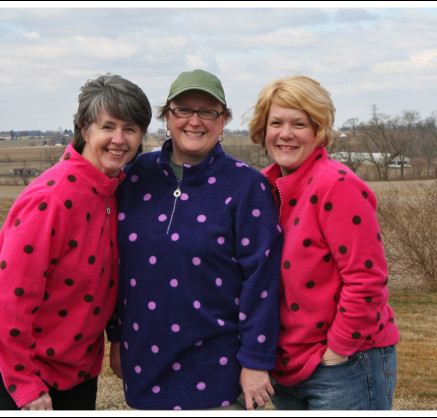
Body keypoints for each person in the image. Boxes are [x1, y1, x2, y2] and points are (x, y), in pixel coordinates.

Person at [108, 69, 283, 410]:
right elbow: (120, 269)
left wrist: (256, 361)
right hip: (145, 365)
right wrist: (116, 338)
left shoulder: (246, 186)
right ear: (167, 118)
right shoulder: (133, 177)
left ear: (223, 121)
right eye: (183, 110)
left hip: (218, 370)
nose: (195, 121)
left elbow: (262, 282)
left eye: (208, 112)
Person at [0, 74, 152, 410]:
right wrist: (26, 384)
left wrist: (116, 339)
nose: (119, 139)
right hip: (22, 379)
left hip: (77, 373)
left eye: (130, 129)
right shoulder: (52, 199)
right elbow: (8, 301)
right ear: (85, 129)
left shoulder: (111, 191)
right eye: (108, 127)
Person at [247, 75, 400, 410]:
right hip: (287, 367)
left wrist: (338, 351)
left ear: (318, 131)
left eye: (299, 123)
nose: (285, 134)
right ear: (263, 129)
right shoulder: (261, 189)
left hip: (343, 365)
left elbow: (367, 278)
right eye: (276, 123)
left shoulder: (336, 185)